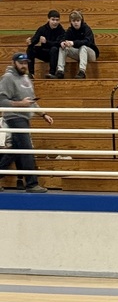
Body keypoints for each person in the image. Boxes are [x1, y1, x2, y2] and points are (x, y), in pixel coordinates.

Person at [0, 51, 53, 193]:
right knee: (27, 149)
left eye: (25, 63)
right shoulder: (7, 78)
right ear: (13, 63)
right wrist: (20, 104)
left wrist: (43, 114)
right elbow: (2, 101)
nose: (24, 66)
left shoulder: (26, 78)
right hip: (14, 117)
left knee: (14, 152)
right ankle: (31, 183)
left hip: (24, 117)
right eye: (21, 63)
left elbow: (31, 100)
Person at [54, 10, 99, 80]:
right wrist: (62, 42)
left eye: (78, 21)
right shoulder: (70, 30)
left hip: (90, 53)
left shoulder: (86, 29)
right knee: (63, 47)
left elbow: (87, 41)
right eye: (74, 21)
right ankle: (60, 71)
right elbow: (63, 38)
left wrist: (73, 43)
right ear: (71, 22)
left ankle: (82, 71)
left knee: (83, 47)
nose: (76, 23)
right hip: (79, 53)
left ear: (81, 21)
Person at [25, 10, 66, 80]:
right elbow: (35, 39)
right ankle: (31, 73)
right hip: (45, 52)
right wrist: (30, 42)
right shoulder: (42, 29)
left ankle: (52, 73)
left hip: (55, 55)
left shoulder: (61, 31)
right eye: (53, 20)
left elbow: (58, 44)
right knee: (30, 49)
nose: (55, 22)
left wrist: (46, 42)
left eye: (57, 20)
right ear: (48, 19)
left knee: (54, 49)